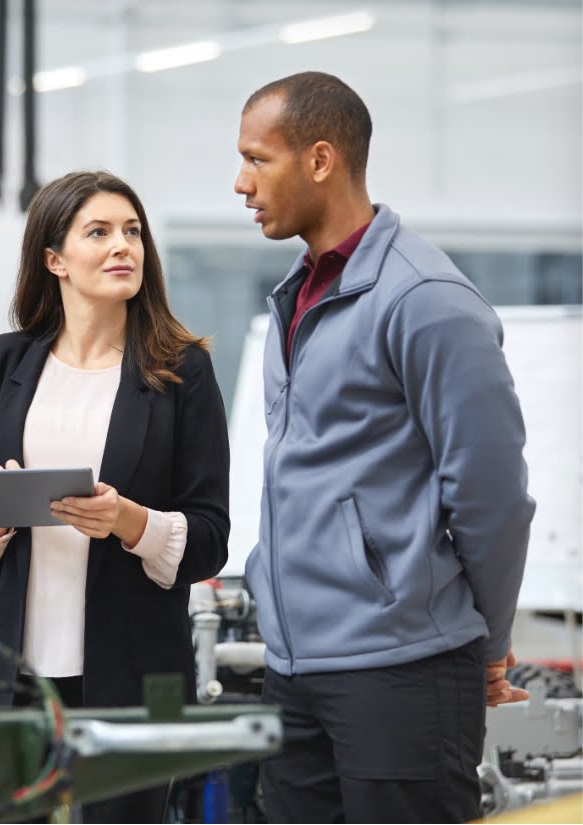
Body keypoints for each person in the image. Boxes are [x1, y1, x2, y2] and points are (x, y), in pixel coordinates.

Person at [233, 71, 536, 822]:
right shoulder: (297, 294)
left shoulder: (424, 300)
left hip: (401, 667)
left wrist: (488, 644)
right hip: (295, 667)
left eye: (256, 159)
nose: (240, 184)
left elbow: (491, 491)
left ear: (319, 160)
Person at [0, 170, 231, 823]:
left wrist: (128, 520)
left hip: (130, 673)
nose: (121, 246)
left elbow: (211, 534)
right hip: (8, 675)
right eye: (97, 232)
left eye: (131, 231)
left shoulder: (182, 370)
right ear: (54, 259)